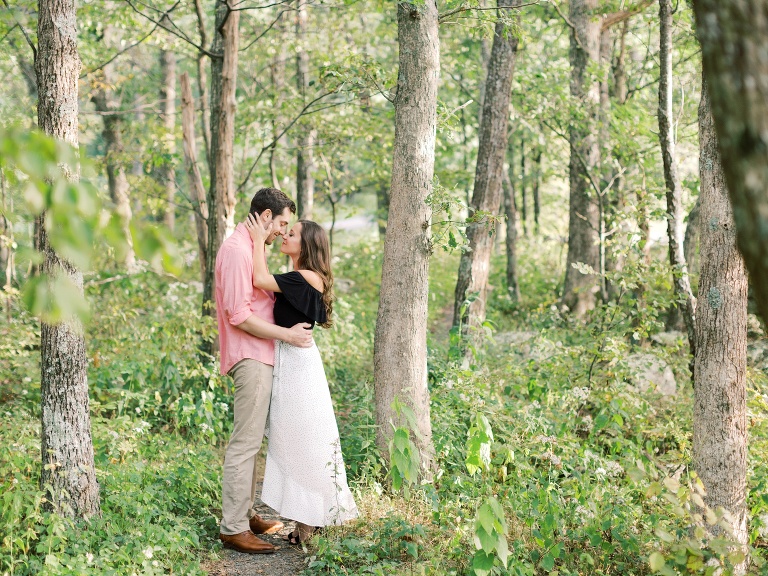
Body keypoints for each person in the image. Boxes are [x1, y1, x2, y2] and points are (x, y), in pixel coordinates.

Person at [245, 214, 359, 545]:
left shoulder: (304, 275)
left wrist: (256, 240)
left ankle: (310, 522)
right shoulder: (302, 275)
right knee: (294, 440)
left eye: (291, 234)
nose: (284, 236)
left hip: (298, 364)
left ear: (305, 245)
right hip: (293, 360)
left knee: (303, 441)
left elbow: (260, 279)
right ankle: (306, 520)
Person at [215, 187, 314, 555]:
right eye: (282, 224)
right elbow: (239, 315)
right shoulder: (237, 250)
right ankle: (234, 528)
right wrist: (286, 335)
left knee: (253, 441)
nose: (282, 233)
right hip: (251, 356)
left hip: (262, 355)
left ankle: (244, 512)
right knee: (245, 443)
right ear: (266, 216)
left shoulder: (247, 248)